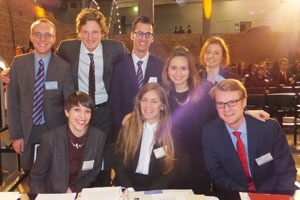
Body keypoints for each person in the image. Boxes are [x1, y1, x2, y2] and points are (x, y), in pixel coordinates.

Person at [202, 79, 296, 195]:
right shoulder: (210, 133)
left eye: (232, 102)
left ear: (244, 102)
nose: (226, 109)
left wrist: (282, 197)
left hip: (272, 193)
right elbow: (217, 173)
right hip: (234, 194)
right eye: (221, 103)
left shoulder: (269, 129)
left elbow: (286, 169)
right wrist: (245, 196)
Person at [7, 18, 75, 171]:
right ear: (31, 37)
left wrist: (68, 135)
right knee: (30, 174)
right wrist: (16, 135)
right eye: (38, 34)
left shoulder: (64, 67)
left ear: (54, 39)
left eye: (47, 35)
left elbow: (69, 103)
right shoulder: (18, 63)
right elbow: (12, 102)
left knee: (54, 174)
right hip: (26, 131)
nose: (42, 39)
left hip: (54, 130)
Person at [162, 46, 216, 193]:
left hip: (199, 164)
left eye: (183, 68)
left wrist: (248, 114)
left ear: (190, 71)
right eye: (173, 68)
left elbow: (220, 119)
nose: (178, 73)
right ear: (167, 70)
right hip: (171, 165)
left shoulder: (203, 94)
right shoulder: (163, 97)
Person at [29, 91, 107, 193]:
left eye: (87, 111)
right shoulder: (50, 139)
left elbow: (92, 173)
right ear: (66, 112)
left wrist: (72, 189)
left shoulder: (99, 138)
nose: (83, 116)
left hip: (79, 193)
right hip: (51, 194)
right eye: (77, 110)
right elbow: (36, 178)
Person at [113, 83, 175, 191]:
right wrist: (129, 189)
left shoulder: (171, 132)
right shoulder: (129, 127)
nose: (148, 106)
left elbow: (171, 171)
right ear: (139, 102)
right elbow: (118, 163)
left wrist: (151, 193)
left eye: (154, 101)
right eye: (144, 100)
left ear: (162, 106)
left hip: (156, 188)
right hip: (126, 185)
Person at [110, 15, 163, 140]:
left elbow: (162, 99)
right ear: (132, 35)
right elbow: (114, 100)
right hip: (126, 128)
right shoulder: (119, 64)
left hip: (152, 129)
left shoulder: (160, 66)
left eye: (148, 34)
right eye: (139, 33)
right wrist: (122, 125)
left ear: (152, 38)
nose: (143, 38)